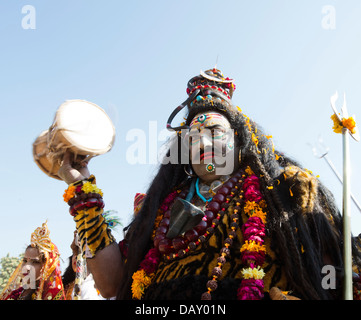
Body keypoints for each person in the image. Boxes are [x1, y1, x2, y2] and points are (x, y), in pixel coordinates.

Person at [58, 68, 361, 300]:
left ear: (239, 139)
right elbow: (111, 283)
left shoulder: (282, 192)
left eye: (214, 129)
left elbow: (329, 273)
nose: (202, 139)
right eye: (192, 136)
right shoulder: (158, 212)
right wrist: (83, 192)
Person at [0, 221, 65, 300]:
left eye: (35, 262)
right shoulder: (14, 294)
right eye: (25, 261)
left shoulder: (53, 296)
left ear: (48, 266)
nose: (26, 267)